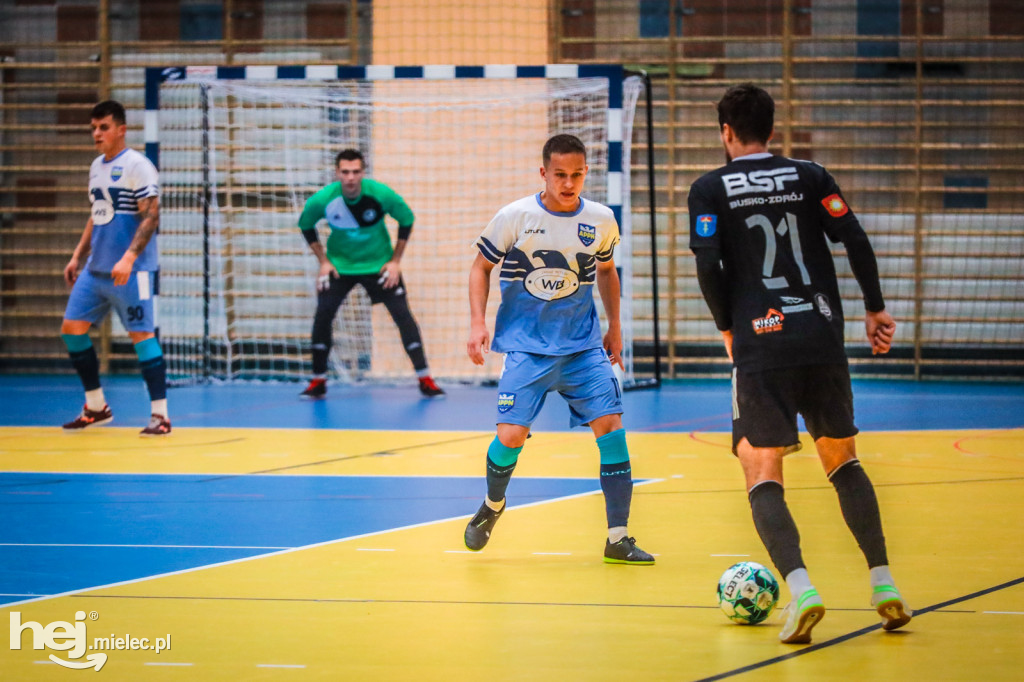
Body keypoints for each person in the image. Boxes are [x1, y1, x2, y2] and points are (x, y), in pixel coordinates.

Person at [688, 83, 911, 643]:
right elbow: (854, 237)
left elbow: (708, 265)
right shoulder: (810, 176)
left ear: (726, 133)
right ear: (772, 129)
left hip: (762, 343)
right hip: (820, 335)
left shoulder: (710, 188)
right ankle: (884, 583)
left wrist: (727, 328)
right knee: (843, 461)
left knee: (759, 467)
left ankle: (802, 589)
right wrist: (875, 308)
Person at [464, 133, 653, 565]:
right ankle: (493, 505)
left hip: (583, 347)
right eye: (560, 175)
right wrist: (478, 322)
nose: (569, 184)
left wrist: (615, 327)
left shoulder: (602, 219)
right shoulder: (515, 216)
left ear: (586, 173)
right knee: (510, 437)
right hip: (527, 350)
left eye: (577, 175)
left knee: (612, 429)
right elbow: (480, 267)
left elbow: (607, 272)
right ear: (544, 173)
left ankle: (618, 537)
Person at [297, 149, 444, 399]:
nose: (351, 177)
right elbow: (306, 226)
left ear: (363, 173)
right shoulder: (322, 200)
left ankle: (425, 378)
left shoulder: (381, 194)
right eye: (345, 172)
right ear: (337, 173)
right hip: (340, 267)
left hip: (379, 266)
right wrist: (323, 261)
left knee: (403, 317)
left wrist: (395, 261)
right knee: (322, 316)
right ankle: (318, 381)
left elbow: (406, 219)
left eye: (356, 172)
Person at [61, 100, 170, 436]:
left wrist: (129, 258)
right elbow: (98, 214)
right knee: (72, 330)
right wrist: (78, 254)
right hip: (96, 270)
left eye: (103, 127)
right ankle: (96, 407)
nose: (97, 133)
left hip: (131, 272)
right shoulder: (96, 167)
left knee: (142, 336)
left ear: (121, 130)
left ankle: (160, 416)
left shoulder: (139, 166)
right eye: (93, 127)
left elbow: (152, 216)